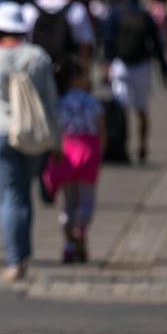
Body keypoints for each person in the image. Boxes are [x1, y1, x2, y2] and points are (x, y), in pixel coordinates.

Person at [0, 2, 60, 282]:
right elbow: (51, 102)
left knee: (8, 195)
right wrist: (57, 142)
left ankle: (15, 259)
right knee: (24, 193)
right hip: (32, 134)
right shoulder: (38, 56)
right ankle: (23, 253)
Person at [104, 0, 167, 165]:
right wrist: (166, 69)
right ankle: (142, 144)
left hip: (121, 65)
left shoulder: (116, 13)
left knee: (121, 108)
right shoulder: (145, 15)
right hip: (142, 65)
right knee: (142, 109)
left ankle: (122, 145)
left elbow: (108, 41)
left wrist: (106, 64)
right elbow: (157, 44)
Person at [43, 61, 104, 263]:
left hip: (66, 152)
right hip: (88, 152)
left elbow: (53, 129)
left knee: (68, 201)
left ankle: (69, 245)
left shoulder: (58, 102)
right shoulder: (91, 101)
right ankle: (80, 229)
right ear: (77, 78)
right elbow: (101, 128)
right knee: (86, 200)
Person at [23, 0, 96, 72]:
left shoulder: (28, 10)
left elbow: (24, 43)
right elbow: (84, 47)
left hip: (37, 72)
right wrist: (85, 74)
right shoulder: (76, 9)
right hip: (67, 75)